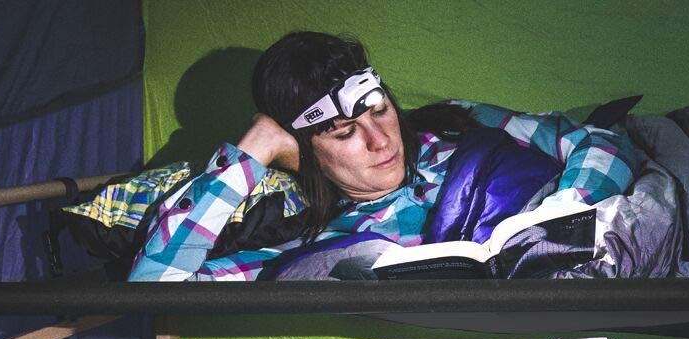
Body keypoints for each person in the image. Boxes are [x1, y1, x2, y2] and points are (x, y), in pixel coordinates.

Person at [128, 30, 640, 282]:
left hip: (625, 221)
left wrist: (561, 218)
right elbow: (155, 284)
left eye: (380, 110)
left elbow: (599, 143)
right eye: (345, 133)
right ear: (303, 151)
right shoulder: (328, 248)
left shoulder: (455, 120)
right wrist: (253, 151)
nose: (381, 140)